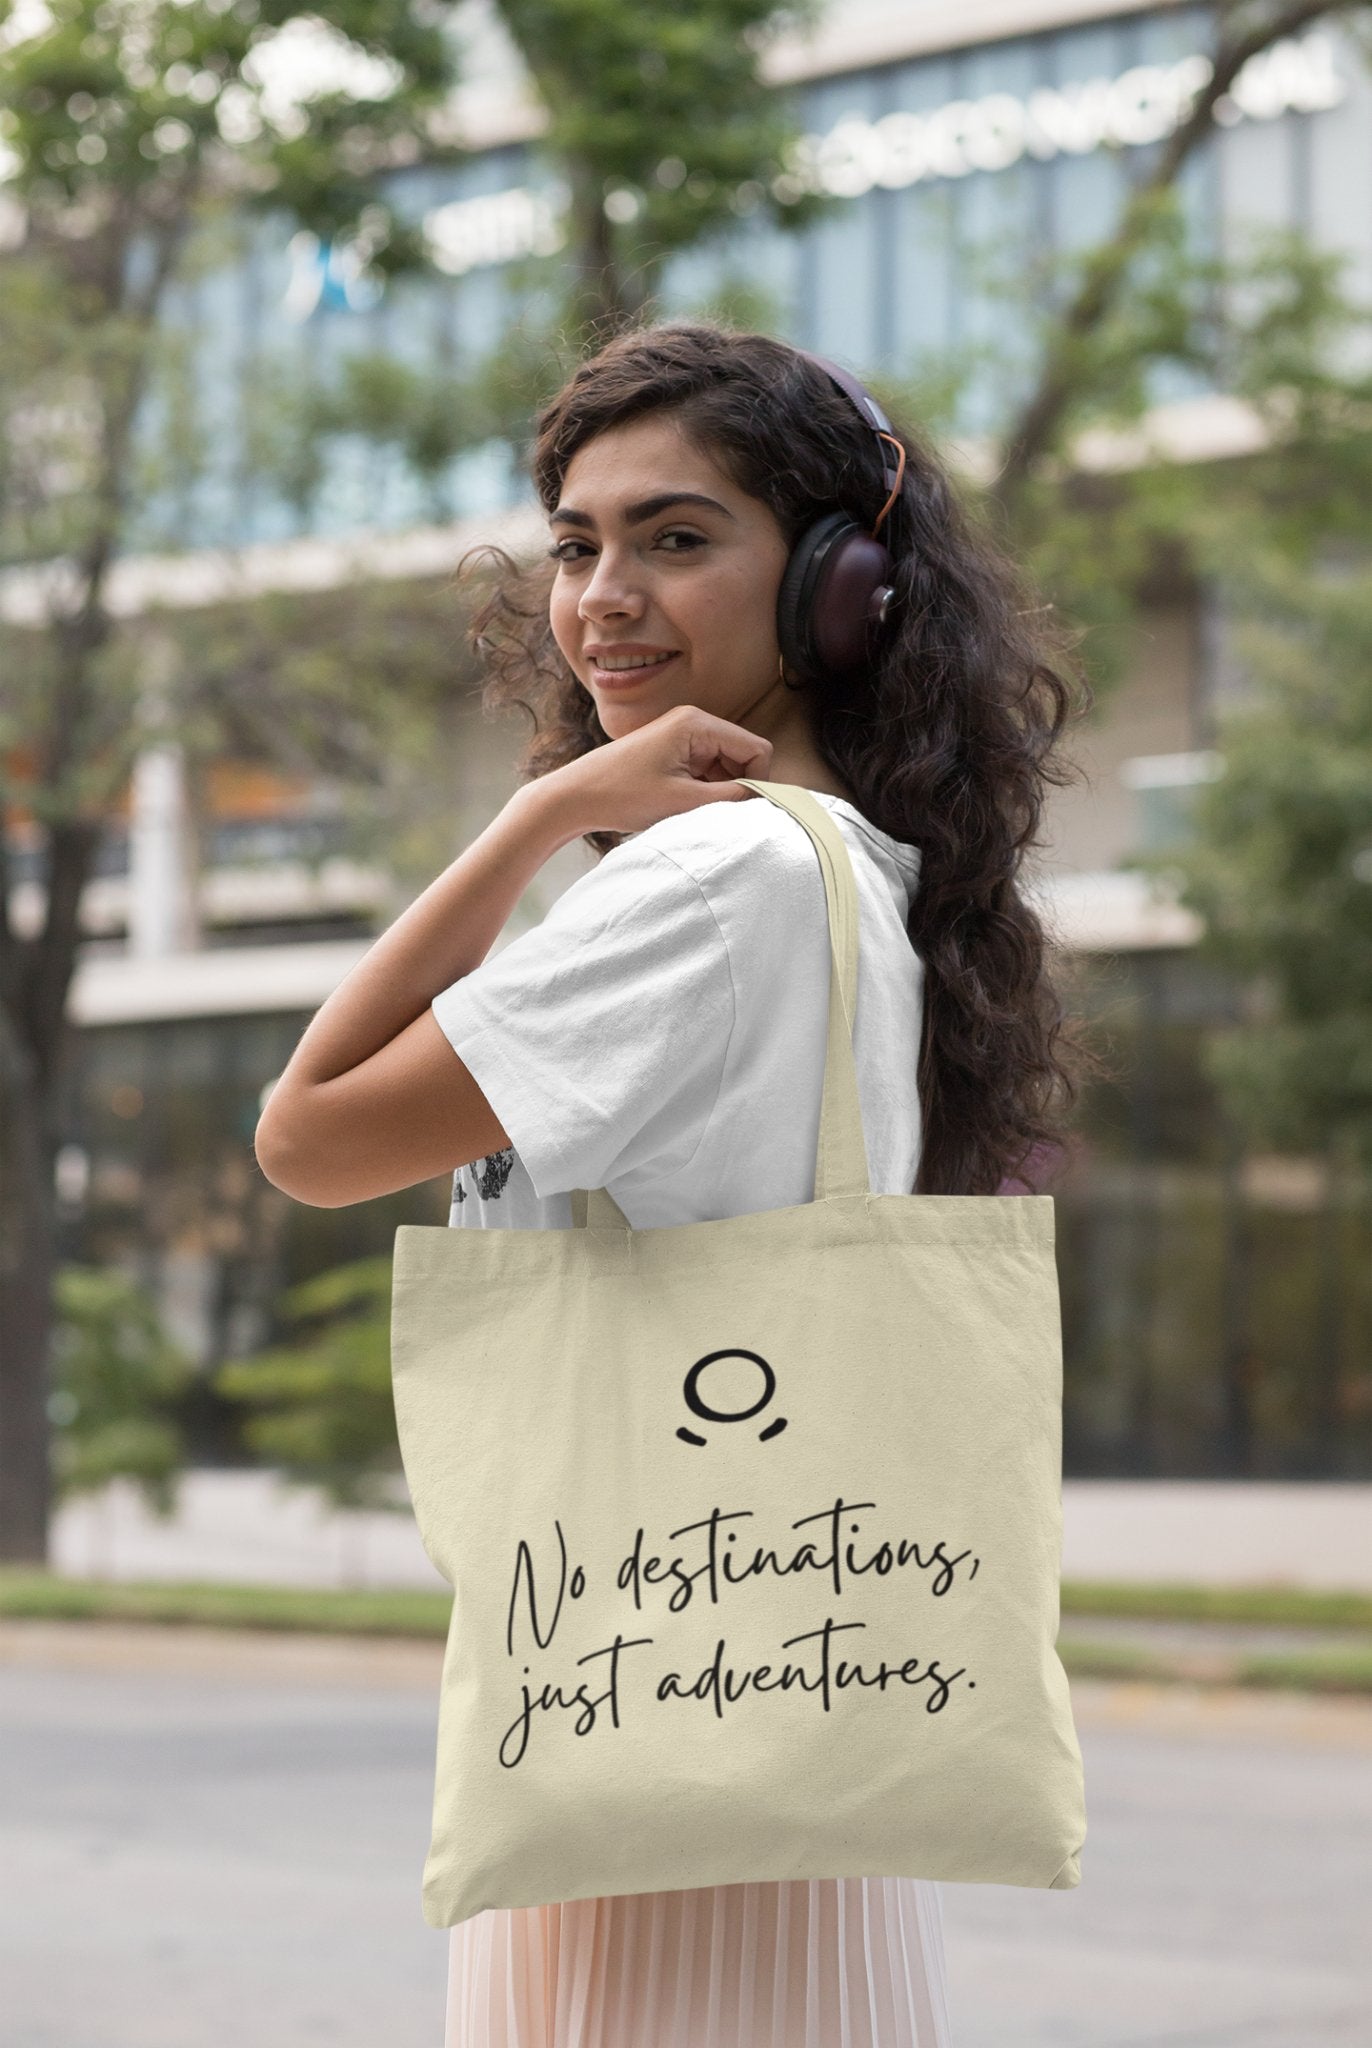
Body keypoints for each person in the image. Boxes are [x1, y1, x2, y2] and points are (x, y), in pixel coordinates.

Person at [255, 320, 1094, 2045]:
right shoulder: (855, 866)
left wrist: (534, 819)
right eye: (577, 545)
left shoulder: (711, 883)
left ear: (840, 585)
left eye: (678, 536)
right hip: (783, 1738)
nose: (603, 598)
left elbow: (311, 1131)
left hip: (656, 1761)